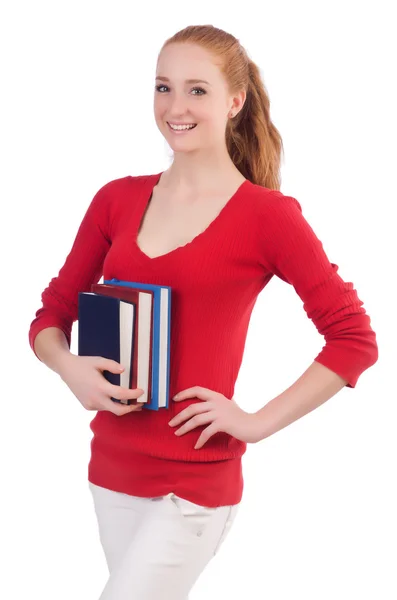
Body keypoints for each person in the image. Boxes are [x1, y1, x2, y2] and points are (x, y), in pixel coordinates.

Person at [28, 24, 379, 600]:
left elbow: (353, 339)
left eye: (197, 90)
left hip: (193, 483)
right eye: (163, 88)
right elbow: (51, 313)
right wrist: (69, 368)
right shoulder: (115, 198)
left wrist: (256, 423)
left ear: (234, 101)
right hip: (111, 470)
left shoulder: (268, 216)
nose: (175, 107)